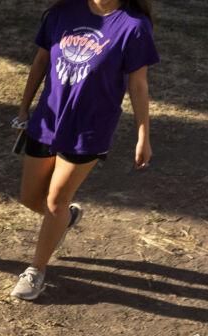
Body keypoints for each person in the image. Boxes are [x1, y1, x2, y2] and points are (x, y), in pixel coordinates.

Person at [10, 0, 158, 301]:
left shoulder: (134, 26)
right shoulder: (61, 14)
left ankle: (36, 271)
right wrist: (24, 108)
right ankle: (65, 218)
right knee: (29, 198)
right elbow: (40, 62)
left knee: (54, 201)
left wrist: (144, 134)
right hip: (47, 120)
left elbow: (138, 85)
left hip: (89, 128)